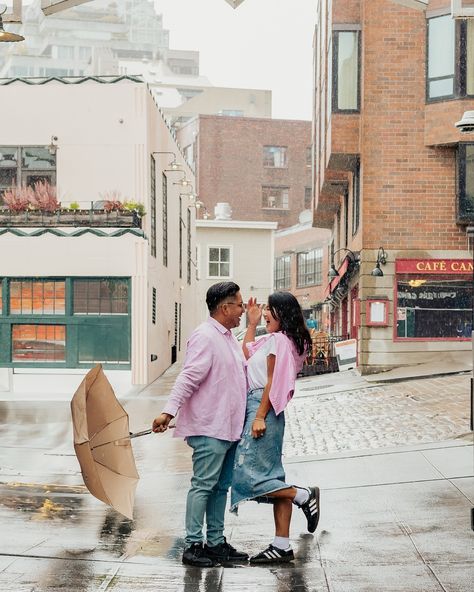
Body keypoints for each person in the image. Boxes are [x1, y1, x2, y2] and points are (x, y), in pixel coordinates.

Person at [152, 282, 249, 568]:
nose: (242, 310)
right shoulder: (205, 336)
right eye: (239, 305)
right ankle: (193, 544)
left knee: (220, 487)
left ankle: (216, 543)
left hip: (229, 427)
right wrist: (168, 412)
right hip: (210, 427)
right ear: (225, 307)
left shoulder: (228, 337)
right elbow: (188, 377)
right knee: (203, 486)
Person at [230, 291, 320, 564]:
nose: (265, 313)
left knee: (246, 476)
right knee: (272, 477)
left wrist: (259, 416)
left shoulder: (280, 341)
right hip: (262, 408)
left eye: (269, 309)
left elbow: (272, 382)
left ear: (282, 312)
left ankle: (302, 495)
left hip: (263, 408)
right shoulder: (276, 339)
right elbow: (246, 353)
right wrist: (251, 324)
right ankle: (281, 545)